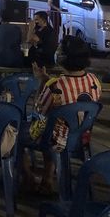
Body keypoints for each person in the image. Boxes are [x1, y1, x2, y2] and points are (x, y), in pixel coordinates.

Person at [21, 36, 101, 195]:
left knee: (14, 132)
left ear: (63, 57)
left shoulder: (55, 85)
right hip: (80, 138)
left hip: (54, 139)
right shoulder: (94, 81)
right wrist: (46, 80)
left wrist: (42, 82)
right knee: (55, 125)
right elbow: (71, 91)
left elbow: (39, 110)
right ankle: (47, 178)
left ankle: (28, 177)